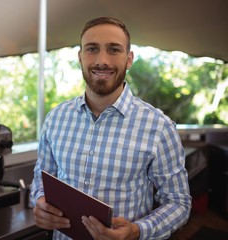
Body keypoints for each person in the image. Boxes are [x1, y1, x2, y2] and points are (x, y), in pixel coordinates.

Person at [29, 16, 192, 240]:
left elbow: (179, 203)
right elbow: (41, 179)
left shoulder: (159, 127)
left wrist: (137, 231)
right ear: (80, 57)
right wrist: (39, 202)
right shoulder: (55, 119)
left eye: (114, 50)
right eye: (92, 49)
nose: (102, 60)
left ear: (129, 59)